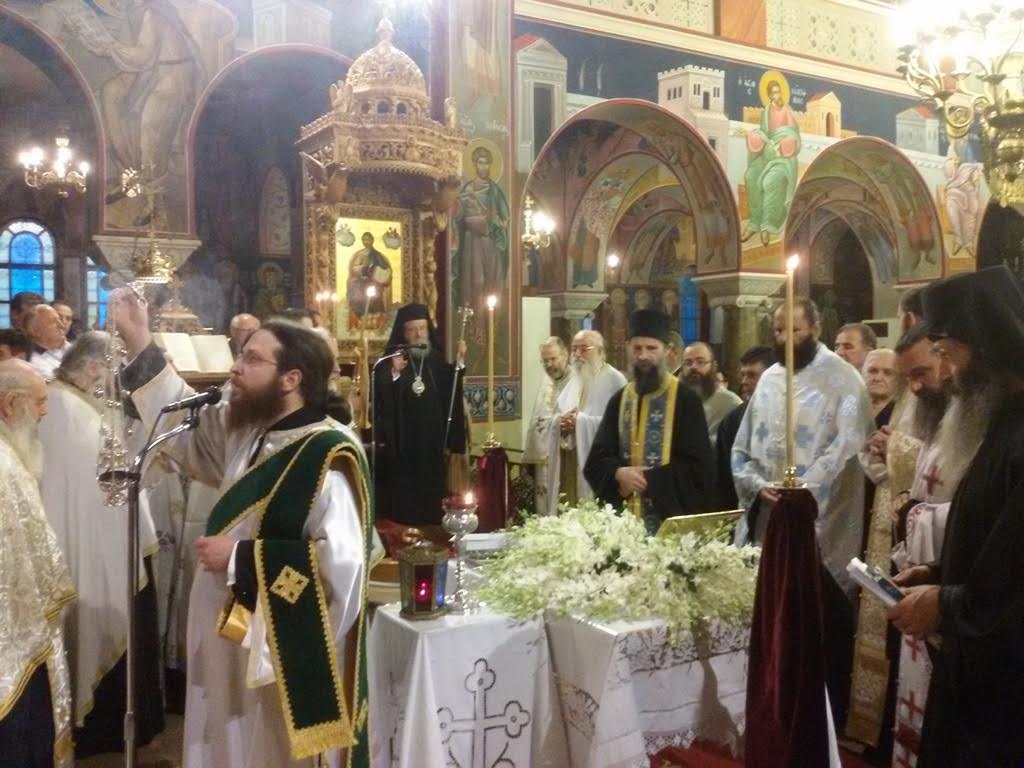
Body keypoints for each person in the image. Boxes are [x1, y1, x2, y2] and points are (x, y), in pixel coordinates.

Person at [111, 289, 371, 767]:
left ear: (291, 378)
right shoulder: (249, 430)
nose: (235, 367)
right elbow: (184, 421)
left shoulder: (327, 456)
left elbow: (343, 567)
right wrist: (139, 337)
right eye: (240, 354)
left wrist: (241, 557)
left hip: (276, 658)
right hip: (229, 640)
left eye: (252, 359)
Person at [887, 265, 1024, 767]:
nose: (944, 374)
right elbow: (998, 545)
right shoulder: (1003, 423)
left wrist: (948, 603)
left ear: (986, 347)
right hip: (980, 675)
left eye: (946, 354)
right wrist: (940, 574)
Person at [732, 298, 872, 731]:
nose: (786, 340)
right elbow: (743, 449)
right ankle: (773, 707)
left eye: (795, 330)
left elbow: (848, 448)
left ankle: (820, 723)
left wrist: (800, 493)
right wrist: (758, 485)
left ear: (816, 327)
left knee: (817, 628)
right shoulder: (769, 379)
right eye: (778, 331)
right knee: (774, 626)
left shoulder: (844, 380)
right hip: (771, 521)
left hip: (820, 527)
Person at [37, 332, 165, 757]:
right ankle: (104, 730)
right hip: (94, 554)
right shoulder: (72, 415)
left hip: (84, 549)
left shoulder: (63, 404)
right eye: (113, 372)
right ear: (93, 369)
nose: (117, 384)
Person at [0, 359, 75, 767]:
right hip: (13, 641)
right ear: (11, 405)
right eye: (40, 402)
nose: (45, 413)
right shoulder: (6, 468)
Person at [886, 325, 954, 768]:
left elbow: (983, 521)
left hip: (957, 605)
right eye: (907, 377)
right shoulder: (942, 425)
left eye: (921, 373)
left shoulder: (986, 429)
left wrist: (916, 514)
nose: (915, 387)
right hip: (930, 577)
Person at [584, 309, 714, 533]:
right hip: (623, 524)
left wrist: (651, 479)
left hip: (668, 522)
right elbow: (597, 460)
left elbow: (700, 469)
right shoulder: (619, 400)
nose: (643, 355)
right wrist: (618, 474)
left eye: (651, 348)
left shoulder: (686, 400)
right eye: (637, 348)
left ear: (667, 351)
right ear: (628, 348)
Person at [845, 346, 911, 754]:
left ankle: (883, 732)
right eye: (873, 370)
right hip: (862, 528)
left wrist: (893, 449)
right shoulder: (855, 411)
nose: (879, 378)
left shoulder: (909, 411)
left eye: (889, 372)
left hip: (893, 532)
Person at [373, 303, 466, 527]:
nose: (418, 335)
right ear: (403, 333)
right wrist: (395, 372)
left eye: (422, 328)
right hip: (404, 437)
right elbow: (381, 394)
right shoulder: (393, 360)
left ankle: (433, 519)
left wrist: (460, 361)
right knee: (406, 482)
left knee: (433, 479)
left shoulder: (435, 358)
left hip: (432, 435)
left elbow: (450, 385)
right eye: (412, 329)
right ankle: (406, 521)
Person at [556, 330, 627, 503]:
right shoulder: (575, 379)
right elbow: (559, 411)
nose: (577, 354)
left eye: (584, 349)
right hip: (572, 459)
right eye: (574, 349)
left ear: (600, 351)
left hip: (601, 463)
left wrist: (580, 422)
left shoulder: (615, 380)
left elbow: (622, 426)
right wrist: (561, 421)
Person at [743, 75, 801, 245]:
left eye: (778, 92)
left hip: (783, 158)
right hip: (767, 154)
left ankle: (768, 225)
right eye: (774, 93)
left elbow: (794, 136)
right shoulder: (766, 112)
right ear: (769, 95)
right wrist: (758, 136)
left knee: (770, 181)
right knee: (751, 176)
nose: (777, 95)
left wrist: (784, 143)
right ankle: (755, 223)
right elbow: (764, 132)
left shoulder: (787, 111)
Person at [715, 345, 775, 509]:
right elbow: (725, 475)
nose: (744, 382)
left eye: (752, 375)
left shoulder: (793, 414)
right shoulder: (732, 421)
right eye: (743, 375)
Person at [522, 337, 575, 516]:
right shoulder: (546, 383)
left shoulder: (577, 382)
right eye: (545, 361)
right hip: (545, 458)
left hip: (566, 457)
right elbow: (538, 419)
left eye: (553, 359)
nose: (549, 364)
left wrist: (561, 423)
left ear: (565, 355)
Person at [453, 146, 510, 308]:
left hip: (489, 241)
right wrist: (460, 208)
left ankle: (490, 316)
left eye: (486, 163)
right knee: (476, 281)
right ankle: (471, 315)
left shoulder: (495, 191)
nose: (484, 167)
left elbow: (505, 220)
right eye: (480, 163)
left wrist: (492, 218)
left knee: (491, 282)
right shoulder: (467, 189)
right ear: (474, 164)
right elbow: (457, 218)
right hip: (471, 242)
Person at [681, 341, 742, 443]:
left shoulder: (731, 403)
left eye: (700, 362)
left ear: (713, 366)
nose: (693, 367)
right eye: (688, 363)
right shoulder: (676, 400)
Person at [24, 304, 71, 380]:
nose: (62, 325)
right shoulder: (33, 363)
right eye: (53, 322)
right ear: (35, 331)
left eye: (59, 319)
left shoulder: (71, 348)